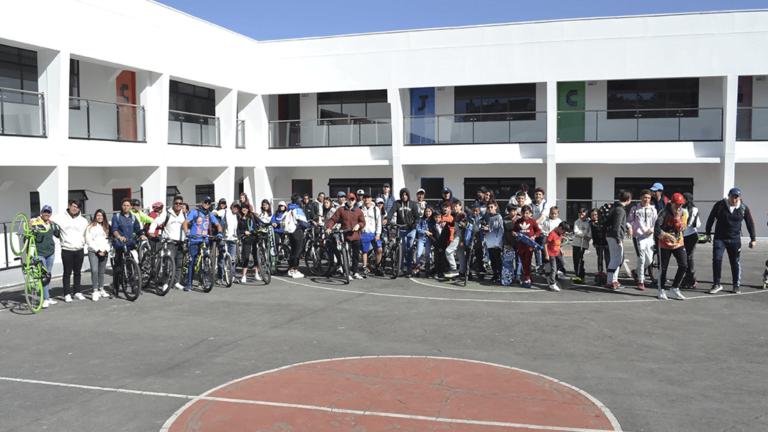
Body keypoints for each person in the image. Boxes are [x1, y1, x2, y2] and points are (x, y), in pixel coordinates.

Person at [705, 187, 756, 294]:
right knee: (717, 260)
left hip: (735, 239)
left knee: (735, 262)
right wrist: (708, 233)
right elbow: (711, 218)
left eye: (736, 197)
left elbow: (750, 223)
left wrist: (753, 239)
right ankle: (716, 284)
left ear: (740, 197)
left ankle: (736, 285)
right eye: (732, 197)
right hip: (720, 238)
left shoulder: (743, 208)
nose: (734, 199)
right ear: (729, 196)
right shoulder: (720, 205)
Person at [182, 196, 222, 291]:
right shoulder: (194, 212)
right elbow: (185, 222)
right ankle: (190, 283)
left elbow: (217, 224)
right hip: (194, 240)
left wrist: (220, 232)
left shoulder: (209, 214)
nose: (207, 204)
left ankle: (202, 281)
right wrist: (187, 232)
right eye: (205, 202)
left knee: (203, 261)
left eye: (209, 202)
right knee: (193, 261)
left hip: (204, 240)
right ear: (201, 202)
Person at [51, 200, 89, 302]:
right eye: (73, 206)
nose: (74, 209)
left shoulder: (83, 220)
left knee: (77, 272)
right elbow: (47, 219)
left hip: (79, 249)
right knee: (67, 273)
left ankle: (77, 292)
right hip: (66, 249)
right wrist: (33, 220)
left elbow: (87, 232)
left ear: (79, 209)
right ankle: (66, 293)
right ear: (69, 206)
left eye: (77, 207)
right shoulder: (61, 217)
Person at [655, 193, 690, 300]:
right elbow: (656, 229)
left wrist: (676, 218)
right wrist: (666, 236)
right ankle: (661, 290)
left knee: (683, 264)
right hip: (664, 243)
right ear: (672, 203)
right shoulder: (663, 212)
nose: (679, 207)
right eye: (677, 205)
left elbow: (681, 228)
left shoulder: (684, 213)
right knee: (663, 267)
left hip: (678, 241)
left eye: (681, 205)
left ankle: (675, 288)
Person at [148, 195, 187, 289]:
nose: (178, 205)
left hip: (180, 242)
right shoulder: (167, 213)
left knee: (179, 263)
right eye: (176, 203)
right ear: (173, 204)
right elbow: (155, 222)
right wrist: (151, 231)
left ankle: (176, 282)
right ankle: (166, 283)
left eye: (180, 203)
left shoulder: (184, 215)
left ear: (182, 205)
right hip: (169, 242)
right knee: (169, 264)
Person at [326, 193, 366, 279]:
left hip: (356, 236)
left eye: (352, 200)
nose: (351, 201)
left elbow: (363, 222)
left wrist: (358, 225)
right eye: (349, 200)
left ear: (355, 201)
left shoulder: (358, 211)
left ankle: (355, 272)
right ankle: (346, 272)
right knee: (346, 256)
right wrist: (329, 227)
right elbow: (333, 219)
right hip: (346, 236)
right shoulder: (341, 210)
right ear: (346, 200)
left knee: (355, 256)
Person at [384, 188, 421, 277]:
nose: (404, 196)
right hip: (401, 229)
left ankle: (409, 268)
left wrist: (415, 223)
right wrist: (386, 219)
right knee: (402, 249)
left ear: (408, 195)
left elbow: (417, 216)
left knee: (410, 249)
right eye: (402, 194)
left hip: (411, 230)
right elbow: (391, 212)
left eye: (406, 194)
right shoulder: (397, 203)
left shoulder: (413, 204)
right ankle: (400, 268)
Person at [111, 198, 147, 286]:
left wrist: (141, 235)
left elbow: (138, 229)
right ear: (121, 206)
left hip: (130, 244)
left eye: (128, 205)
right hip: (120, 245)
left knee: (133, 266)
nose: (126, 207)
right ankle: (115, 289)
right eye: (124, 205)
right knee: (118, 267)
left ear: (131, 207)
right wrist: (119, 237)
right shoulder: (117, 217)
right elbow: (114, 229)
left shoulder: (133, 217)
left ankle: (134, 286)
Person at [30, 205, 60, 308]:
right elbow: (28, 238)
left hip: (50, 253)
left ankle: (47, 297)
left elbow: (59, 234)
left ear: (50, 213)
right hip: (40, 254)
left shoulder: (52, 225)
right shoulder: (35, 224)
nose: (46, 214)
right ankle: (45, 299)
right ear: (41, 212)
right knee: (43, 277)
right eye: (44, 212)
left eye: (48, 212)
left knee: (48, 276)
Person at [628, 189, 658, 290]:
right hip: (638, 237)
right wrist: (630, 228)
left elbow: (655, 223)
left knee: (649, 260)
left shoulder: (653, 209)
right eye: (645, 197)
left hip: (650, 238)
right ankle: (641, 281)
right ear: (640, 197)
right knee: (641, 259)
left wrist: (652, 230)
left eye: (648, 198)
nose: (646, 199)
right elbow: (629, 221)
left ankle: (636, 272)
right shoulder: (635, 209)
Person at [605, 191, 633, 290]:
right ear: (628, 199)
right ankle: (610, 282)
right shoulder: (620, 210)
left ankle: (614, 280)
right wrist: (618, 239)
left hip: (611, 236)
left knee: (617, 259)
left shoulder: (616, 207)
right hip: (614, 237)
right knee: (615, 259)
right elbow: (616, 227)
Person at [85, 209, 111, 301]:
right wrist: (98, 250)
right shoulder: (90, 227)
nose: (100, 217)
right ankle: (95, 291)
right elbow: (89, 240)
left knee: (101, 271)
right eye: (98, 215)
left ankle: (101, 289)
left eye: (102, 216)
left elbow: (109, 240)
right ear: (95, 216)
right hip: (94, 252)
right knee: (94, 271)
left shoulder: (107, 227)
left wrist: (106, 250)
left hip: (104, 252)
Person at [512, 205, 541, 288]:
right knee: (523, 262)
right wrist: (514, 233)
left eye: (527, 213)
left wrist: (534, 236)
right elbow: (514, 230)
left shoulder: (533, 221)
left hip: (529, 245)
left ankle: (527, 279)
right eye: (523, 213)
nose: (525, 215)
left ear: (530, 213)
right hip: (521, 245)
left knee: (528, 262)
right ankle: (526, 277)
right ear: (521, 213)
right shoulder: (518, 221)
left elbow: (538, 231)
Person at [283, 194, 311, 278]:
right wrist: (309, 224)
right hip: (298, 231)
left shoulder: (289, 209)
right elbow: (302, 222)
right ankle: (296, 271)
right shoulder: (298, 209)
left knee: (293, 251)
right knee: (297, 252)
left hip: (291, 232)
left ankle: (290, 269)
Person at [215, 199, 240, 285]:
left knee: (232, 259)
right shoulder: (225, 211)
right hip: (223, 238)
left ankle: (233, 276)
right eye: (235, 206)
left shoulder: (236, 215)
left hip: (232, 239)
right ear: (231, 206)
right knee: (221, 259)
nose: (236, 208)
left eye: (238, 208)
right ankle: (220, 278)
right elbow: (215, 213)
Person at [236, 204, 263, 283]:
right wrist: (244, 232)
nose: (244, 209)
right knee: (246, 257)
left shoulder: (253, 216)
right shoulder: (239, 219)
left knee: (256, 256)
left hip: (254, 238)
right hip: (246, 239)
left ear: (248, 209)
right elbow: (238, 231)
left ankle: (256, 273)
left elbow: (261, 222)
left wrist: (268, 225)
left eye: (246, 208)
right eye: (243, 208)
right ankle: (244, 275)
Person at [681, 192, 701, 288]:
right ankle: (689, 278)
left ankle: (690, 278)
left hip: (691, 235)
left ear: (687, 200)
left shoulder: (692, 210)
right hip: (683, 235)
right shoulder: (681, 208)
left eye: (683, 198)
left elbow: (695, 224)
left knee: (688, 257)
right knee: (685, 257)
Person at [544, 222, 571, 292]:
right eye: (563, 231)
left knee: (563, 262)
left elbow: (558, 243)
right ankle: (552, 283)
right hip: (551, 253)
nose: (563, 233)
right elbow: (545, 244)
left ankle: (555, 271)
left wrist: (561, 250)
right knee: (553, 267)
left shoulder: (560, 234)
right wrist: (547, 255)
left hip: (557, 252)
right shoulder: (552, 234)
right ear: (560, 228)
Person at [360, 193, 382, 277]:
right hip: (364, 233)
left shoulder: (375, 209)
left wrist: (378, 234)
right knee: (365, 251)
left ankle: (378, 266)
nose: (366, 199)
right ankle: (365, 267)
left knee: (379, 249)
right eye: (365, 198)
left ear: (371, 199)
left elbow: (378, 223)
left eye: (368, 198)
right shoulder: (360, 209)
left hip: (374, 233)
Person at [539, 206, 564, 279]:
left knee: (558, 260)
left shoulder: (559, 222)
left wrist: (560, 248)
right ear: (550, 213)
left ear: (558, 214)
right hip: (547, 241)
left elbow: (561, 232)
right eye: (552, 214)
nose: (553, 215)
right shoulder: (546, 221)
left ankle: (555, 271)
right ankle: (547, 273)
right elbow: (540, 227)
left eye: (555, 214)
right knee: (547, 259)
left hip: (556, 243)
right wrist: (545, 232)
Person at [531, 188, 551, 272]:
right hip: (533, 230)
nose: (538, 196)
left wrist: (534, 223)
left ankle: (544, 266)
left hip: (542, 230)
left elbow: (543, 216)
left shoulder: (545, 205)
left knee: (543, 249)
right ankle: (538, 265)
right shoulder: (530, 204)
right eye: (536, 194)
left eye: (540, 194)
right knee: (535, 248)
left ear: (543, 196)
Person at [502, 204, 522, 285]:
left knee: (519, 260)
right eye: (512, 211)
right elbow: (503, 233)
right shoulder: (505, 220)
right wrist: (506, 243)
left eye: (515, 211)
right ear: (508, 212)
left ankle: (517, 276)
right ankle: (509, 276)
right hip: (509, 242)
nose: (514, 213)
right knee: (509, 260)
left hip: (519, 242)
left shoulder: (520, 219)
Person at [484, 201, 505, 283]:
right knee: (492, 259)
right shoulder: (487, 217)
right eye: (488, 207)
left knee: (498, 259)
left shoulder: (499, 217)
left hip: (496, 242)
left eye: (492, 207)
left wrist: (498, 243)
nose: (490, 209)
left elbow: (500, 230)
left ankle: (500, 274)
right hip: (489, 241)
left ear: (496, 207)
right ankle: (495, 274)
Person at [590, 208, 610, 284]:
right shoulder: (592, 223)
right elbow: (593, 234)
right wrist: (594, 242)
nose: (594, 216)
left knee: (607, 258)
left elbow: (606, 232)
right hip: (598, 243)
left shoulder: (604, 222)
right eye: (592, 215)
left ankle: (609, 272)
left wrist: (606, 243)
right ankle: (600, 271)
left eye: (595, 215)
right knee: (599, 257)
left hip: (605, 242)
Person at [571, 208, 591, 283]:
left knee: (579, 258)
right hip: (576, 243)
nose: (580, 216)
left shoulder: (589, 223)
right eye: (579, 214)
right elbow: (576, 231)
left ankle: (581, 274)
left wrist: (587, 236)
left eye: (582, 214)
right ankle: (577, 273)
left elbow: (590, 232)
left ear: (586, 215)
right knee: (575, 259)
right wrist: (583, 234)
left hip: (583, 244)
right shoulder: (577, 222)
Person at [415, 206, 434, 277]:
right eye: (426, 211)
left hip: (428, 239)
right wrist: (425, 231)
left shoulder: (433, 220)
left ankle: (427, 267)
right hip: (421, 238)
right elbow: (417, 229)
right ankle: (417, 267)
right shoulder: (422, 220)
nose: (428, 213)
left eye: (429, 211)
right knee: (418, 253)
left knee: (427, 254)